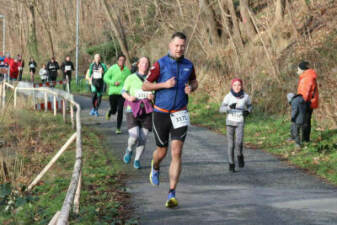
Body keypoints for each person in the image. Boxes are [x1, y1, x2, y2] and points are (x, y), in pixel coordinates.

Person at [142, 32, 198, 208]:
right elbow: (145, 85)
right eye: (177, 45)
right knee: (162, 152)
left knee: (176, 152)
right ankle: (155, 166)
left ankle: (172, 193)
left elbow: (195, 81)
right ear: (170, 45)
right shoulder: (160, 64)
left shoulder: (189, 64)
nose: (180, 48)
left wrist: (192, 87)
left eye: (182, 46)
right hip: (161, 113)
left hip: (180, 113)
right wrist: (164, 85)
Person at [121, 57, 154, 169]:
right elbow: (123, 91)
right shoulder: (131, 77)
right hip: (132, 109)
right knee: (134, 136)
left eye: (147, 63)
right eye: (143, 62)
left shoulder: (151, 79)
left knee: (143, 138)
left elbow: (154, 93)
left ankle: (137, 160)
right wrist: (129, 97)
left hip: (147, 110)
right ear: (138, 64)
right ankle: (129, 149)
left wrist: (151, 96)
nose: (144, 65)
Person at [219, 78, 252, 172]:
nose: (237, 87)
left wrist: (248, 111)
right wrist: (229, 107)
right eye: (235, 85)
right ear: (232, 86)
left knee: (239, 143)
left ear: (242, 86)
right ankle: (231, 164)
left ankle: (240, 155)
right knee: (231, 145)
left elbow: (250, 106)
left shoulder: (246, 96)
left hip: (240, 122)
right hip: (229, 122)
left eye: (239, 85)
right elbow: (221, 109)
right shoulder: (228, 96)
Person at [104, 54, 131, 134]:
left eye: (123, 60)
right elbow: (105, 77)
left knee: (120, 110)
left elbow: (129, 81)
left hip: (122, 93)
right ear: (117, 61)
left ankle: (118, 128)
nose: (122, 62)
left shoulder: (127, 70)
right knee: (114, 110)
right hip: (113, 92)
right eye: (120, 60)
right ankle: (110, 112)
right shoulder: (112, 68)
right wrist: (113, 82)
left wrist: (129, 91)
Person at [296, 61, 319, 142]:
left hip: (306, 103)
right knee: (306, 121)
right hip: (308, 102)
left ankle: (305, 140)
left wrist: (300, 103)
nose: (297, 71)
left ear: (302, 70)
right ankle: (305, 139)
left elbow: (305, 93)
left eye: (298, 69)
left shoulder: (307, 78)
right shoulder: (308, 76)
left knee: (305, 121)